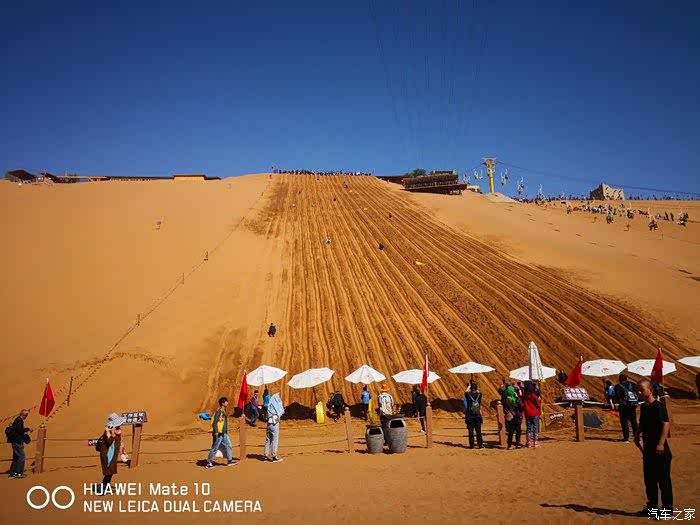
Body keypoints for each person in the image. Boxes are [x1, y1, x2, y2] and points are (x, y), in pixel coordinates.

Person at [635, 379, 673, 515]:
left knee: (663, 480)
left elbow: (666, 424)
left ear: (650, 390)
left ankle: (667, 509)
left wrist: (661, 443)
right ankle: (652, 508)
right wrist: (637, 435)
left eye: (642, 390)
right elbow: (642, 423)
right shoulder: (644, 407)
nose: (639, 392)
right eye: (638, 390)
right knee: (649, 480)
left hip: (660, 450)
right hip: (648, 449)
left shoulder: (658, 406)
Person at [96, 413, 126, 491]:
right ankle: (103, 488)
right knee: (109, 471)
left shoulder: (116, 430)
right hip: (108, 454)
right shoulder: (108, 431)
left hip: (112, 454)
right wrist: (113, 432)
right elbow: (109, 441)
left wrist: (122, 451)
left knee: (111, 471)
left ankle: (105, 486)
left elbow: (118, 441)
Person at [206, 397, 237, 469]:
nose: (227, 403)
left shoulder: (223, 411)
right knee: (215, 447)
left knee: (228, 445)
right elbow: (215, 422)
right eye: (226, 402)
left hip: (223, 433)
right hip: (219, 433)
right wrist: (216, 432)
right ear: (223, 403)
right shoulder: (219, 411)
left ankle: (230, 461)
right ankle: (209, 462)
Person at [614, 373, 639, 442]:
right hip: (633, 405)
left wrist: (616, 403)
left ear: (619, 380)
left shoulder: (617, 386)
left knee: (624, 421)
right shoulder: (633, 384)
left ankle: (626, 438)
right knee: (634, 421)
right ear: (627, 378)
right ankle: (637, 438)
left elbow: (617, 396)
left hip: (624, 406)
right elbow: (637, 393)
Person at [7, 409, 30, 478]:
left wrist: (26, 429)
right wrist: (27, 429)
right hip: (17, 441)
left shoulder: (17, 420)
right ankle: (19, 473)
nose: (26, 417)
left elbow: (18, 430)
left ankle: (13, 472)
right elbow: (20, 430)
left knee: (16, 457)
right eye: (26, 415)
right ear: (24, 415)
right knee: (22, 457)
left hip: (15, 441)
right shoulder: (19, 420)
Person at [463, 381, 484, 449]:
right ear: (476, 388)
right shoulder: (479, 395)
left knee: (471, 432)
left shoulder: (468, 395)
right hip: (477, 415)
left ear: (471, 388)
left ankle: (471, 445)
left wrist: (469, 386)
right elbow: (479, 391)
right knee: (478, 431)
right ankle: (480, 445)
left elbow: (466, 392)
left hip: (469, 416)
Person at [265, 393, 284, 462]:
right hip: (274, 422)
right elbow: (281, 411)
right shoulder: (276, 404)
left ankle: (266, 456)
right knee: (275, 439)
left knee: (268, 439)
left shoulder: (270, 404)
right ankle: (274, 457)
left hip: (269, 422)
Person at [522, 381, 542, 448]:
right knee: (535, 427)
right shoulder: (533, 395)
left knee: (528, 428)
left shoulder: (524, 396)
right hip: (534, 413)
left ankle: (528, 442)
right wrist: (539, 400)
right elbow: (538, 404)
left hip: (527, 413)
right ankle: (535, 442)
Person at [503, 383, 523, 449]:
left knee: (511, 431)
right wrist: (517, 398)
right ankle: (517, 444)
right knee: (518, 430)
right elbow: (520, 407)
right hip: (517, 417)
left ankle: (509, 445)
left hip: (511, 417)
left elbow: (505, 408)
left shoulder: (507, 399)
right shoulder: (515, 399)